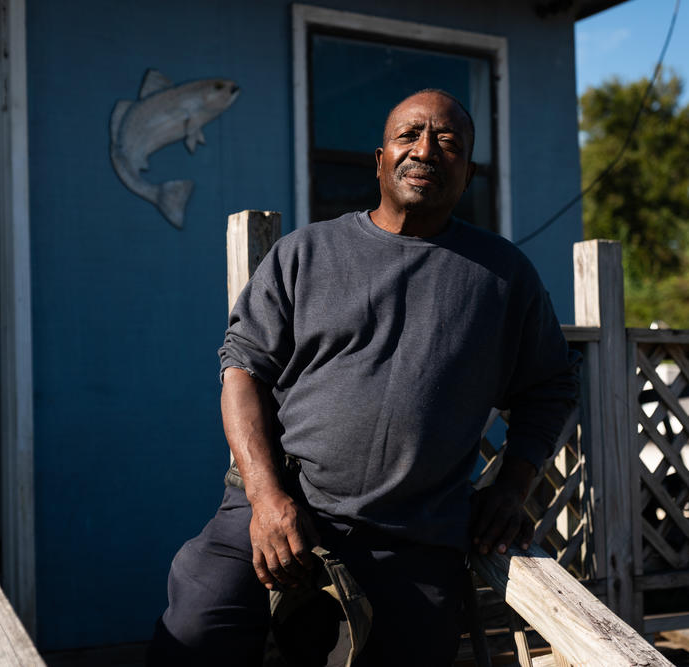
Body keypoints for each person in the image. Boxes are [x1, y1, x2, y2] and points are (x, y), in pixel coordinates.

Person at [148, 89, 580, 666]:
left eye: (447, 142)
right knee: (197, 633)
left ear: (469, 172)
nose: (426, 150)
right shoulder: (305, 253)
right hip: (278, 507)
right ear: (380, 160)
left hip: (414, 540)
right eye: (410, 135)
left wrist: (511, 485)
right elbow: (242, 371)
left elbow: (550, 386)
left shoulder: (503, 277)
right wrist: (266, 496)